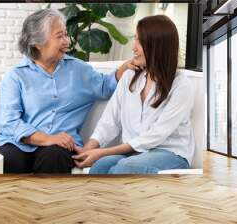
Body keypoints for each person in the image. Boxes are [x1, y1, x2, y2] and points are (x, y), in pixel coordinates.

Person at [0, 9, 134, 174]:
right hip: (18, 142)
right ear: (37, 42)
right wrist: (47, 138)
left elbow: (104, 86)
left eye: (66, 35)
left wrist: (124, 68)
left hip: (60, 146)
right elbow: (10, 122)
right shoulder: (16, 75)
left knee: (54, 156)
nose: (67, 41)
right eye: (59, 36)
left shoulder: (78, 69)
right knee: (9, 159)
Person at [72, 15, 195, 174]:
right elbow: (110, 120)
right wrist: (88, 149)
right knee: (100, 166)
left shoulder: (181, 85)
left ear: (157, 46)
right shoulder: (130, 77)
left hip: (170, 153)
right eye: (135, 39)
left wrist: (101, 153)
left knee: (124, 168)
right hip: (135, 153)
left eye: (140, 42)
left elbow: (156, 136)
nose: (133, 47)